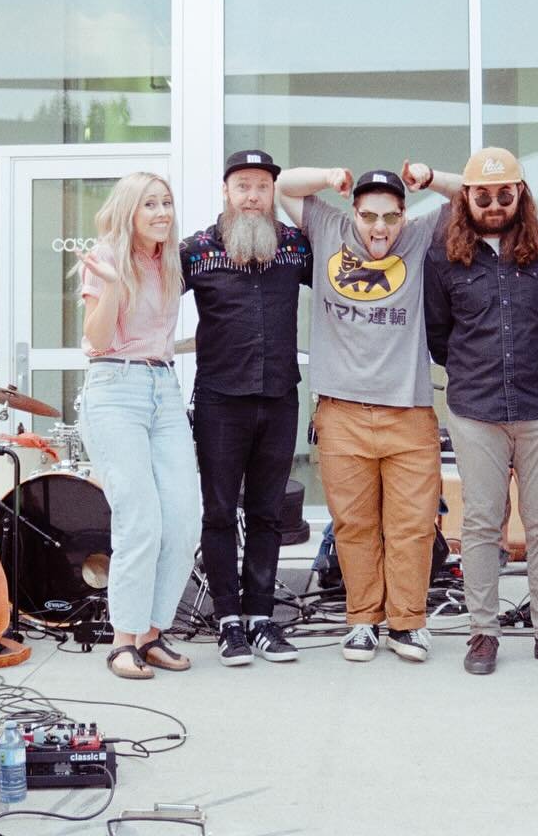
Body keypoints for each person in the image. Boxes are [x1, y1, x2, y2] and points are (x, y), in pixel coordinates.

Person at [274, 162, 447, 663]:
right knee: (353, 524)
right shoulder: (328, 227)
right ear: (353, 212)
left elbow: (470, 196)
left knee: (412, 525)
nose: (379, 228)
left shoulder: (416, 238)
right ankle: (363, 620)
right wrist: (329, 176)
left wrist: (430, 177)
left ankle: (408, 623)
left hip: (408, 410)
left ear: (403, 216)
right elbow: (284, 187)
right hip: (341, 409)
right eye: (369, 216)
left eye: (390, 217)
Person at [424, 146, 538, 675]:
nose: (494, 204)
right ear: (466, 197)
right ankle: (482, 633)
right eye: (482, 195)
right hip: (476, 410)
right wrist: (476, 371)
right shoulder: (443, 255)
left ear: (521, 194)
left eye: (504, 193)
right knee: (481, 524)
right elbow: (439, 337)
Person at [181, 149, 311, 667]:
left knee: (267, 514)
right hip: (219, 402)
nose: (253, 196)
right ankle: (228, 621)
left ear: (272, 193)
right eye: (243, 186)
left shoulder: (295, 247)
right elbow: (150, 289)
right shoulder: (197, 250)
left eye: (262, 186)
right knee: (217, 514)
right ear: (226, 192)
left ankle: (261, 619)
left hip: (280, 398)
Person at [77, 171, 201, 680]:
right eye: (150, 204)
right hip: (115, 389)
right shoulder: (106, 258)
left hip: (162, 389)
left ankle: (152, 634)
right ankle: (122, 640)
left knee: (183, 517)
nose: (161, 213)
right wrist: (110, 289)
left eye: (167, 203)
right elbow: (97, 339)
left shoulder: (168, 260)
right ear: (129, 209)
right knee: (140, 519)